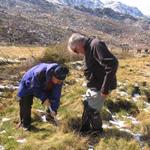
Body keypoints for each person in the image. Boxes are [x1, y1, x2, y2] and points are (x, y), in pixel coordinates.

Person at [68, 33, 118, 134]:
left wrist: (105, 88)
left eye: (75, 50)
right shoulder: (88, 49)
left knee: (93, 110)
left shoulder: (95, 45)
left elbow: (112, 63)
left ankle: (97, 132)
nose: (77, 53)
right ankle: (84, 130)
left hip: (101, 87)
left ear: (78, 45)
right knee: (87, 106)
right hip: (94, 86)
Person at [17, 63, 69, 130]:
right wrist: (44, 98)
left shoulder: (58, 80)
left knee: (52, 101)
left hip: (45, 85)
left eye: (61, 81)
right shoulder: (39, 73)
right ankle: (25, 124)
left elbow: (56, 95)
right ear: (53, 75)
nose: (59, 83)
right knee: (26, 103)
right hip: (28, 84)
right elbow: (34, 88)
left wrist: (54, 109)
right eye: (58, 81)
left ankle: (49, 116)